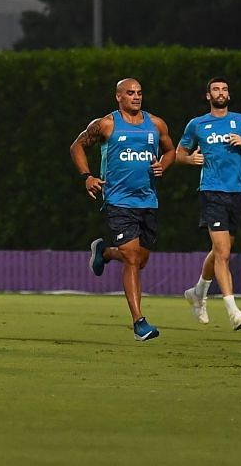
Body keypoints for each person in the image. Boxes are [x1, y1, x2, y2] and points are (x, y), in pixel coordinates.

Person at [71, 77, 176, 342]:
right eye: (130, 93)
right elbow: (77, 146)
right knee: (131, 258)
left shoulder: (156, 124)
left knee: (140, 260)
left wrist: (164, 164)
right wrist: (87, 176)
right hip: (118, 201)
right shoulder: (106, 125)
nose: (136, 97)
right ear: (118, 97)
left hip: (148, 201)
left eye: (139, 93)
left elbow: (171, 150)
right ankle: (139, 323)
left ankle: (104, 252)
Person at [173, 77, 241, 331]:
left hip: (236, 193)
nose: (220, 93)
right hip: (211, 192)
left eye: (224, 89)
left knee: (220, 250)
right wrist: (190, 160)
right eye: (215, 89)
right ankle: (233, 311)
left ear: (229, 95)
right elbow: (179, 154)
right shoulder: (197, 124)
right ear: (208, 95)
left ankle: (197, 292)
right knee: (223, 253)